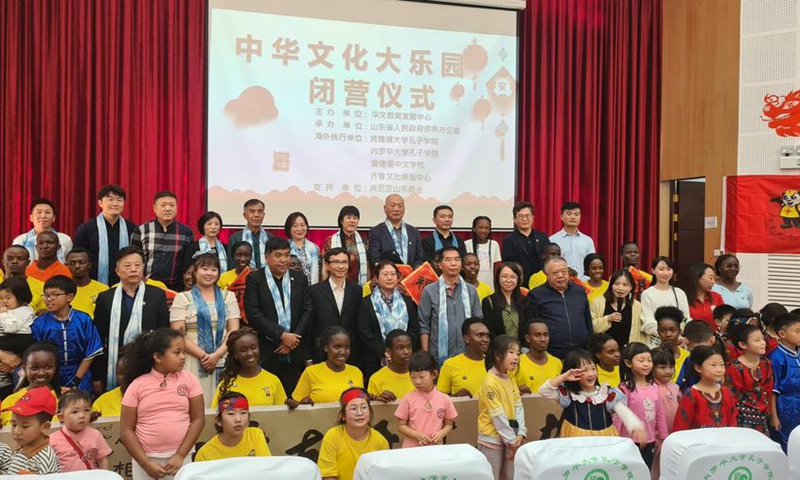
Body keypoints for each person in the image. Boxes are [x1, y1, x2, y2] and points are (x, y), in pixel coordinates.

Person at [120, 328, 204, 480]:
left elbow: (198, 420)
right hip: (146, 461)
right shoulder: (137, 385)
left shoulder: (190, 380)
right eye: (177, 352)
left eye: (184, 351)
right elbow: (126, 431)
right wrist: (145, 463)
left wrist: (180, 455)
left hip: (181, 460)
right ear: (158, 357)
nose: (183, 357)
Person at [92, 246, 170, 392]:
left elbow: (163, 334)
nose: (133, 269)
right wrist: (97, 375)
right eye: (127, 266)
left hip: (148, 361)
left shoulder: (157, 295)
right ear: (117, 271)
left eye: (137, 265)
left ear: (143, 269)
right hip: (113, 363)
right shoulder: (105, 298)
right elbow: (98, 338)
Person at [244, 237, 313, 393]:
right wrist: (281, 335)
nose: (284, 260)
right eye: (278, 255)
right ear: (267, 257)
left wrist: (292, 339)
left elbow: (307, 310)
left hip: (295, 350)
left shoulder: (300, 278)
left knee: (292, 398)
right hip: (268, 349)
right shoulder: (255, 279)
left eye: (287, 255)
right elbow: (253, 313)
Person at [170, 253, 240, 405]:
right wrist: (204, 356)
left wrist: (216, 355)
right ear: (195, 272)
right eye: (204, 268)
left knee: (224, 404)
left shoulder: (228, 297)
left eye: (214, 269)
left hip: (223, 358)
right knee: (193, 405)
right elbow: (178, 334)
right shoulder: (182, 298)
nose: (209, 273)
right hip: (192, 359)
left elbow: (233, 331)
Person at [539, 349, 646, 439]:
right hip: (576, 441)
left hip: (603, 439)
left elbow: (623, 411)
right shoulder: (569, 395)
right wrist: (564, 377)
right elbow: (544, 391)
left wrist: (635, 427)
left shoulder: (607, 394)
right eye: (584, 370)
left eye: (593, 368)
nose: (591, 374)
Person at [32, 275, 103, 392]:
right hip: (50, 377)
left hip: (81, 375)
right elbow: (38, 354)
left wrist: (76, 380)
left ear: (69, 296)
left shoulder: (83, 320)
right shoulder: (39, 323)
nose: (48, 299)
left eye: (54, 295)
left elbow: (90, 352)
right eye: (46, 295)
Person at [354, 260, 420, 380]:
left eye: (393, 274)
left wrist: (405, 351)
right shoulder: (366, 302)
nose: (389, 278)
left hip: (404, 358)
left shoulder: (407, 301)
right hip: (375, 359)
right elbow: (365, 331)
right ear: (376, 278)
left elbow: (414, 328)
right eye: (385, 274)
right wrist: (384, 352)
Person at [419, 247, 483, 365]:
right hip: (438, 354)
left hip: (467, 353)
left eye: (457, 259)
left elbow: (478, 322)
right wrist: (425, 354)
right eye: (448, 260)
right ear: (439, 264)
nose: (453, 263)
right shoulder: (429, 291)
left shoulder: (471, 291)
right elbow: (424, 326)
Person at [477, 335, 526, 480]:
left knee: (510, 477)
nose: (516, 357)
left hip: (510, 438)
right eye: (511, 352)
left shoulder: (510, 378)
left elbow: (518, 406)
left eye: (518, 353)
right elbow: (496, 415)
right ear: (498, 355)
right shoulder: (490, 382)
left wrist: (521, 432)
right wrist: (511, 440)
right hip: (491, 440)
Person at [527, 256, 592, 359]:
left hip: (581, 352)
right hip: (552, 354)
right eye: (555, 273)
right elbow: (532, 325)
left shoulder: (579, 291)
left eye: (564, 272)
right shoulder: (536, 295)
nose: (561, 276)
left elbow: (587, 320)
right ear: (546, 274)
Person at [316, 387, 389, 480]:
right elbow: (327, 475)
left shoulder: (380, 441)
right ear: (342, 416)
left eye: (364, 407)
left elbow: (383, 475)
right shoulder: (332, 436)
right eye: (353, 408)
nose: (359, 413)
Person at [616, 343, 667, 469]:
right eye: (641, 360)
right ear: (628, 363)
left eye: (649, 360)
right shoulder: (624, 388)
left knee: (645, 470)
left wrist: (663, 437)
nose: (646, 364)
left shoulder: (654, 387)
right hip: (628, 441)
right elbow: (618, 416)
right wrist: (615, 439)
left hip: (650, 440)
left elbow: (660, 413)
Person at [73, 185, 138, 285]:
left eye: (119, 200)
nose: (115, 204)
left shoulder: (132, 228)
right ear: (100, 203)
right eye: (110, 200)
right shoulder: (86, 229)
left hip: (126, 285)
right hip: (93, 284)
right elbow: (77, 257)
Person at [130, 191, 193, 291]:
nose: (167, 209)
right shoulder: (141, 230)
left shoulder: (186, 232)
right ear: (154, 208)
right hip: (147, 286)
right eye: (163, 205)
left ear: (176, 208)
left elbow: (188, 261)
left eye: (172, 205)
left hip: (176, 287)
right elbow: (133, 259)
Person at [289, 326, 364, 407]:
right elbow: (296, 404)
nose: (343, 352)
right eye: (337, 347)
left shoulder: (356, 372)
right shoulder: (311, 372)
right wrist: (303, 403)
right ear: (326, 348)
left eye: (347, 347)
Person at [396, 350, 457, 448]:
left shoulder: (444, 398)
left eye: (421, 377)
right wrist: (416, 435)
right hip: (411, 449)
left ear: (434, 374)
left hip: (435, 448)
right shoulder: (408, 398)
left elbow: (449, 424)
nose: (417, 381)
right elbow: (401, 426)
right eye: (413, 377)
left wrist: (441, 433)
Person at [213, 327, 287, 408]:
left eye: (253, 348)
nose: (249, 353)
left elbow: (283, 414)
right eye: (243, 350)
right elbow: (215, 414)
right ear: (235, 355)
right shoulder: (226, 385)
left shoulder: (273, 381)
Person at [310, 248, 362, 360]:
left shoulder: (357, 290)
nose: (341, 266)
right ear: (327, 265)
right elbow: (310, 326)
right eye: (336, 262)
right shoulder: (315, 291)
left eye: (344, 262)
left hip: (350, 353)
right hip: (322, 353)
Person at [672, 346, 738, 431]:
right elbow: (681, 424)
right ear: (698, 368)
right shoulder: (692, 394)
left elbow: (733, 420)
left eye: (722, 365)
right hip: (699, 442)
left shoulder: (726, 392)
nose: (720, 369)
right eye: (713, 365)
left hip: (723, 441)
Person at [723, 323, 773, 434]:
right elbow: (732, 396)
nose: (763, 343)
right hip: (742, 418)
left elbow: (768, 388)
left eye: (762, 339)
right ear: (743, 344)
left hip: (763, 415)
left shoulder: (766, 363)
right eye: (757, 340)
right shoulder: (734, 368)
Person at [195, 392, 271, 462]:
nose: (238, 419)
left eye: (243, 413)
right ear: (218, 421)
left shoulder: (255, 435)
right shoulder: (205, 454)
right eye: (231, 414)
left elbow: (266, 468)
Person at [1, 385, 60, 474]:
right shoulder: (21, 448)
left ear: (44, 427)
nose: (16, 431)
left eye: (25, 426)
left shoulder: (45, 458)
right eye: (13, 424)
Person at [50, 389, 112, 471]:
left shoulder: (95, 435)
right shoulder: (52, 440)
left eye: (86, 410)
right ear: (61, 417)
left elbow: (102, 459)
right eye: (75, 412)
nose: (82, 415)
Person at [1, 342, 60, 426]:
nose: (41, 373)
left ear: (55, 368)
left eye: (48, 367)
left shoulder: (63, 401)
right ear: (24, 369)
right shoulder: (10, 402)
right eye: (34, 368)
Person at [591, 269, 649, 348]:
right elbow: (591, 327)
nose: (620, 288)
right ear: (611, 285)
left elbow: (641, 334)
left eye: (625, 285)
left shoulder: (637, 306)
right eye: (617, 284)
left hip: (628, 353)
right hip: (604, 352)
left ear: (631, 287)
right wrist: (607, 319)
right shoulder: (598, 302)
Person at [767, 313, 800, 450]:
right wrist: (774, 417)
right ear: (782, 334)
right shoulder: (776, 357)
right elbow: (772, 392)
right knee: (790, 441)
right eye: (797, 331)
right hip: (787, 405)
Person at [437, 317, 490, 398]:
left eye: (487, 336)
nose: (486, 339)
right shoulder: (450, 364)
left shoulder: (495, 364)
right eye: (480, 335)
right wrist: (456, 397)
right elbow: (439, 400)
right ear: (466, 339)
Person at [368, 194, 424, 267]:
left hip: (411, 276)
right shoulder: (376, 231)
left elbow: (419, 258)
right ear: (385, 208)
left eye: (400, 206)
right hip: (388, 276)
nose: (396, 209)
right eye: (392, 205)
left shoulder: (414, 232)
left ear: (404, 209)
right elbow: (375, 258)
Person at [640, 257, 690, 339]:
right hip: (656, 342)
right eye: (661, 269)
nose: (666, 273)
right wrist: (669, 334)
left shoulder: (679, 293)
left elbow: (685, 318)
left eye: (669, 269)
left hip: (678, 341)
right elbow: (648, 322)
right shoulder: (647, 294)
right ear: (653, 270)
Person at [501, 202, 549, 285]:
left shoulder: (543, 237)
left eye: (527, 216)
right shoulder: (508, 240)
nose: (524, 219)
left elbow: (549, 259)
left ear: (533, 217)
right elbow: (508, 264)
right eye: (520, 216)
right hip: (520, 284)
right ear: (514, 219)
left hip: (542, 283)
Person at [650, 348, 680, 480]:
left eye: (671, 367)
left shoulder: (675, 387)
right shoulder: (651, 388)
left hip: (673, 436)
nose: (668, 371)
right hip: (657, 438)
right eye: (662, 367)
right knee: (655, 469)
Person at [13, 198, 72, 263]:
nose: (43, 216)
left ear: (54, 218)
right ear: (31, 217)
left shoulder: (65, 239)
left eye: (47, 212)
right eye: (39, 212)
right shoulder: (20, 240)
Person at [323, 206, 369, 285]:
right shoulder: (330, 241)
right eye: (348, 218)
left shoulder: (364, 241)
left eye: (355, 218)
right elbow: (325, 267)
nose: (352, 221)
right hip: (335, 286)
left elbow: (367, 266)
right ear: (341, 220)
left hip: (358, 286)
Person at [514, 319, 563, 394]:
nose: (543, 339)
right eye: (537, 335)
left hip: (552, 405)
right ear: (527, 338)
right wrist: (516, 390)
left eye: (546, 335)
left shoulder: (557, 363)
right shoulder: (517, 362)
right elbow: (507, 389)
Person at [483, 262, 526, 345]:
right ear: (498, 279)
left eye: (513, 277)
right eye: (504, 276)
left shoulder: (525, 301)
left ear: (518, 279)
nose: (508, 280)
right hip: (499, 349)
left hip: (522, 350)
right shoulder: (488, 302)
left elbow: (528, 327)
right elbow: (489, 330)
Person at [548, 202, 596, 276]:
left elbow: (592, 264)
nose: (573, 217)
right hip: (559, 282)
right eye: (569, 214)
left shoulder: (587, 241)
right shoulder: (552, 240)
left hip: (583, 283)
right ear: (561, 216)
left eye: (576, 214)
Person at [367, 329, 415, 402]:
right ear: (389, 352)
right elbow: (372, 409)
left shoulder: (420, 374)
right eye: (400, 348)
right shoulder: (376, 379)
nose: (406, 352)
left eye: (409, 347)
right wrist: (379, 400)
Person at [227, 199, 271, 270]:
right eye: (252, 211)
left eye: (260, 211)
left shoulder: (270, 237)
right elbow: (231, 265)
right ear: (245, 215)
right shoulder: (235, 238)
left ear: (263, 215)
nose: (256, 215)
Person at [66, 247, 109, 318]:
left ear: (89, 265)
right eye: (72, 263)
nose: (77, 266)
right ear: (67, 265)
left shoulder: (103, 289)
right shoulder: (62, 290)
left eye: (81, 262)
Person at [217, 241, 253, 325]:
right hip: (229, 318)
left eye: (247, 255)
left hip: (251, 320)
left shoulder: (256, 275)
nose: (243, 259)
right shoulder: (224, 277)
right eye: (239, 255)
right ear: (233, 256)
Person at [682, 262, 724, 332]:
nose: (713, 282)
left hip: (713, 339)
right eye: (710, 278)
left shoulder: (716, 297)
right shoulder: (683, 297)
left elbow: (723, 319)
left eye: (714, 279)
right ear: (697, 277)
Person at [2, 245, 45, 313]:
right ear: (3, 262)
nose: (15, 261)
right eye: (10, 258)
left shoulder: (41, 286)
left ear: (28, 262)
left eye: (20, 258)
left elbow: (42, 313)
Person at [465, 216, 502, 290]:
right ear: (474, 229)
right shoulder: (467, 244)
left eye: (486, 228)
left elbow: (497, 267)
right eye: (480, 227)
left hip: (489, 287)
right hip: (471, 287)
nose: (483, 230)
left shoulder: (494, 244)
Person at [655, 306, 690, 383]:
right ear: (658, 332)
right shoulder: (651, 356)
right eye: (663, 330)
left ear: (680, 331)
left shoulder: (688, 358)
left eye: (672, 330)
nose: (668, 334)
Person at [92, 345, 128, 418]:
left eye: (131, 373)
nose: (127, 377)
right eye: (121, 373)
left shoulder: (151, 400)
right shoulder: (102, 402)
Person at [286, 212, 321, 285]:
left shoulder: (314, 248)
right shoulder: (284, 247)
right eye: (295, 226)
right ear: (289, 228)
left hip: (311, 290)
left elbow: (319, 271)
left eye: (302, 225)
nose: (299, 229)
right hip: (290, 288)